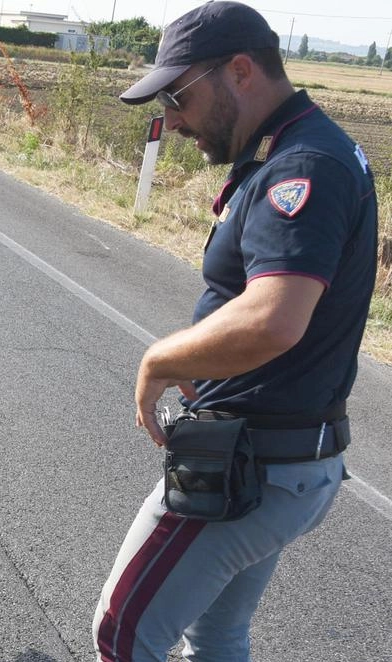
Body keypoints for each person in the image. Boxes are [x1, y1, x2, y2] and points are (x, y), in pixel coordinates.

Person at [92, 2, 378, 661]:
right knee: (216, 633)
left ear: (239, 71)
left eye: (177, 94)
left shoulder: (301, 167)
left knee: (123, 633)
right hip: (282, 460)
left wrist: (157, 360)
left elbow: (274, 317)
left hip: (252, 467)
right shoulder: (297, 149)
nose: (169, 118)